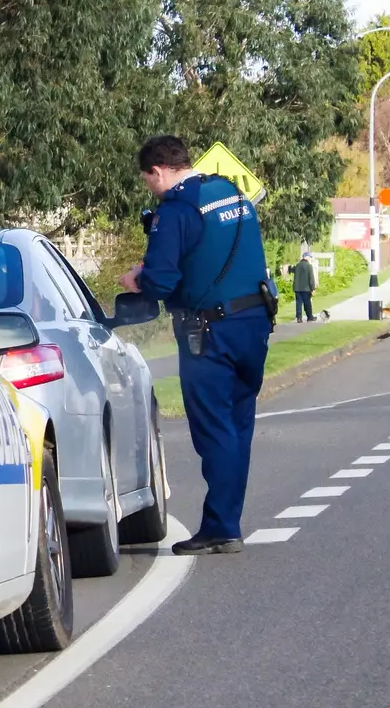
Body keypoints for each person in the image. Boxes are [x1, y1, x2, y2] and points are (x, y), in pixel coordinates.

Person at [120, 135, 274, 555]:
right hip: (256, 321)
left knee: (214, 429)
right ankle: (228, 521)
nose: (150, 188)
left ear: (158, 171)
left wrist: (139, 277)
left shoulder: (177, 209)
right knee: (239, 425)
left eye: (148, 180)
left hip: (209, 331)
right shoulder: (230, 193)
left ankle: (222, 526)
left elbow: (163, 280)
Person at [292, 244, 317, 323]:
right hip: (306, 288)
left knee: (298, 303)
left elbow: (291, 270)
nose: (310, 259)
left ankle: (299, 318)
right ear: (306, 257)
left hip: (297, 288)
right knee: (307, 303)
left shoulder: (297, 266)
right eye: (309, 257)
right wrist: (313, 288)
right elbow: (311, 278)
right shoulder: (309, 266)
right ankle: (309, 317)